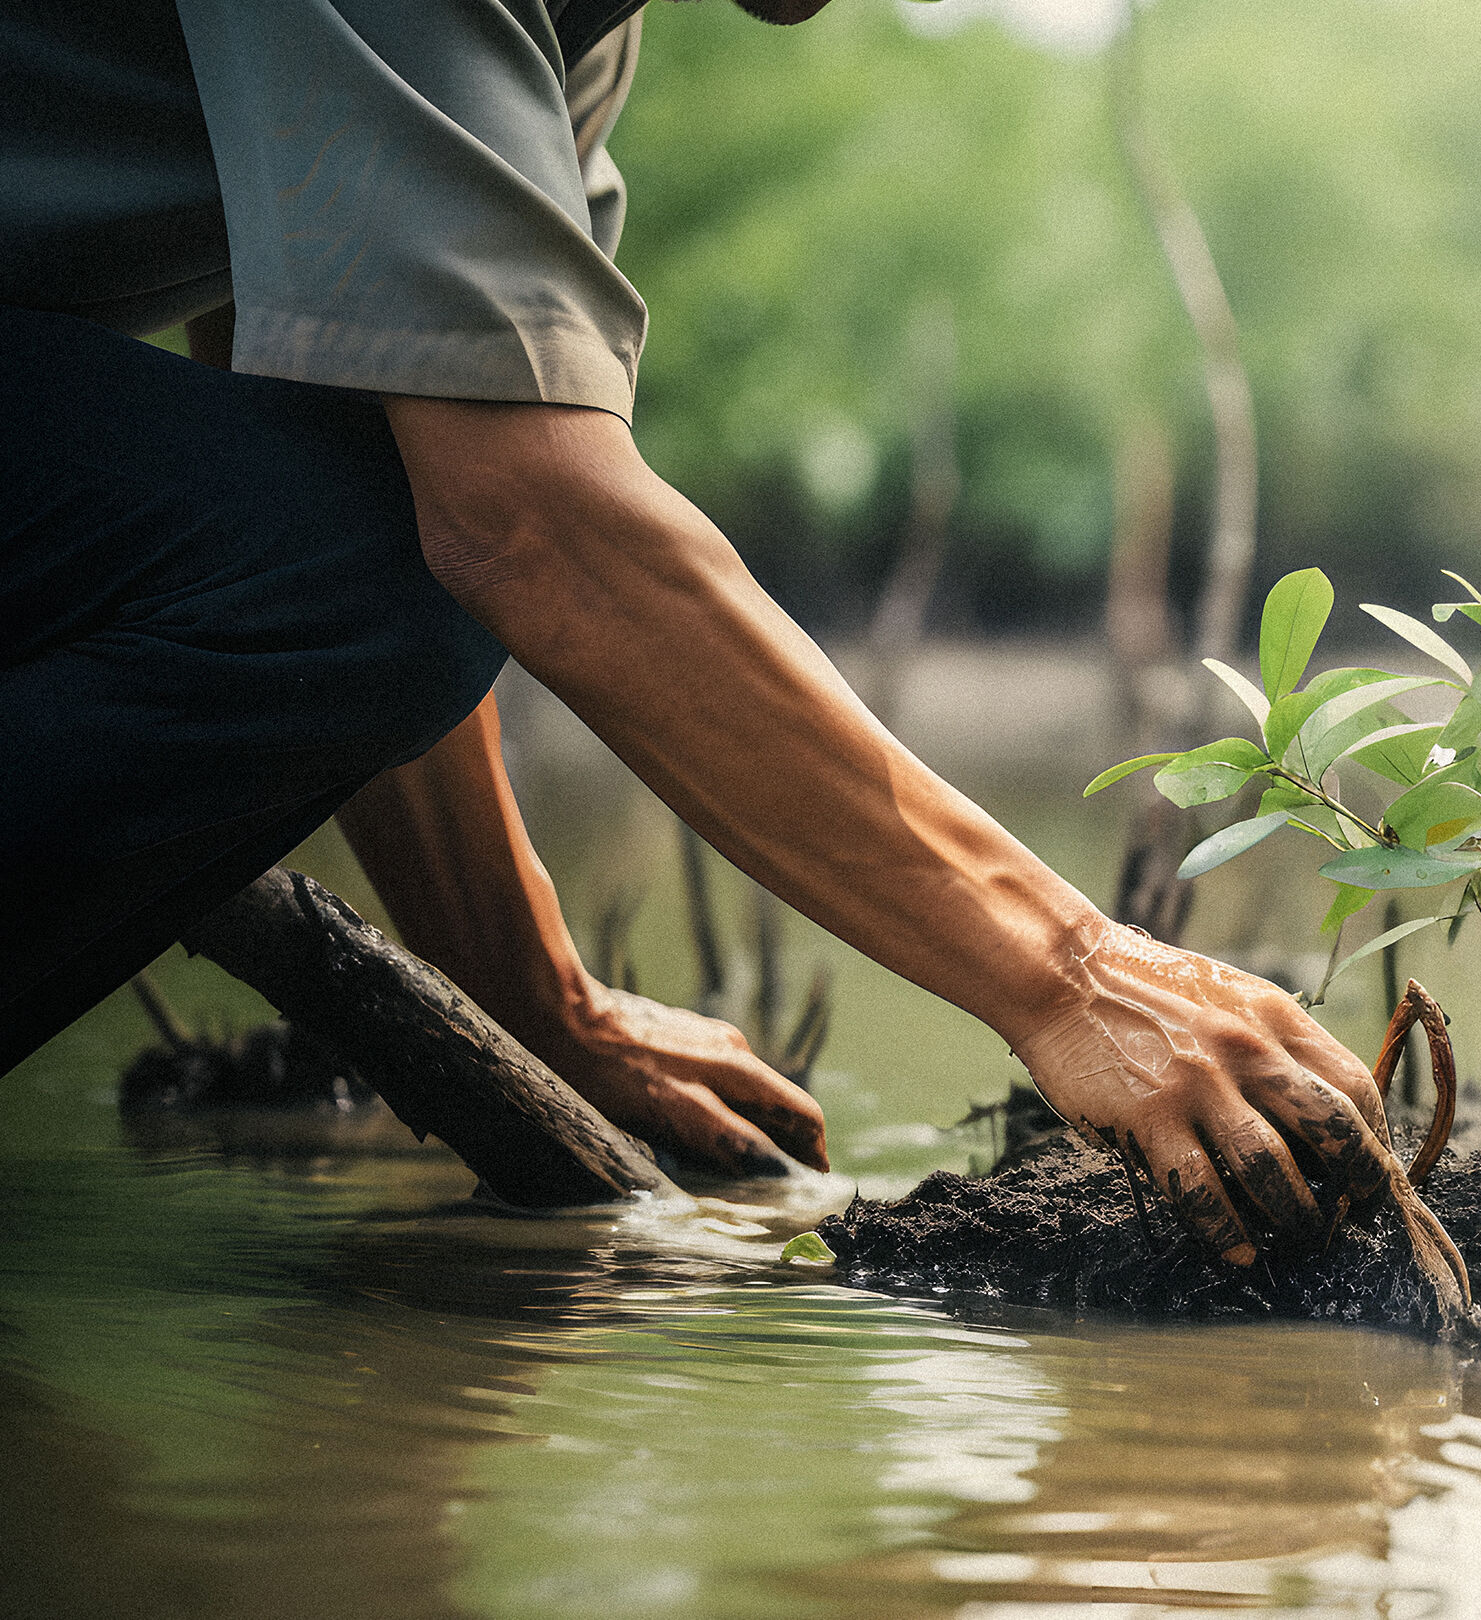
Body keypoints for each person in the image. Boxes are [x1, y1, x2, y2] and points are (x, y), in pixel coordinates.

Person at [0, 0, 1393, 1264]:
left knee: (354, 542)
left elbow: (383, 444)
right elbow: (523, 517)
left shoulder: (570, 34)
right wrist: (1071, 974)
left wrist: (531, 1001)